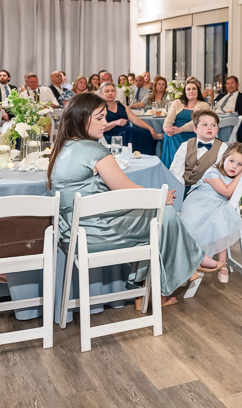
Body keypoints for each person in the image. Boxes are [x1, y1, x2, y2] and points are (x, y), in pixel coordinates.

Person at [46, 93, 222, 308]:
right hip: (92, 233)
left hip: (70, 232)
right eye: (99, 118)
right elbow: (127, 188)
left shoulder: (62, 147)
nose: (105, 123)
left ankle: (156, 285)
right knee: (163, 215)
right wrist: (160, 197)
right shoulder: (93, 150)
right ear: (81, 118)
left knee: (156, 218)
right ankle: (172, 277)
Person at [179, 143, 242, 286]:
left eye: (239, 165)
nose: (234, 167)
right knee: (208, 222)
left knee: (220, 219)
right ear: (224, 159)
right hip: (199, 204)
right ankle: (192, 263)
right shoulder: (212, 173)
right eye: (231, 161)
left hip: (216, 205)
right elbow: (226, 192)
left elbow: (228, 197)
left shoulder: (232, 177)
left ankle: (221, 264)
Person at [99, 83, 161, 155]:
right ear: (101, 94)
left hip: (126, 130)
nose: (110, 93)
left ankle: (145, 158)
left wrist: (150, 128)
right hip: (111, 135)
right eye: (107, 91)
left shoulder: (121, 105)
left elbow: (135, 119)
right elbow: (101, 127)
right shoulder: (99, 108)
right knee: (131, 132)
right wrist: (116, 122)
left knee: (145, 132)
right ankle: (134, 157)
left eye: (113, 91)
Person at [160, 78, 211, 165]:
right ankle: (177, 168)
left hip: (191, 132)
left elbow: (196, 122)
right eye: (188, 89)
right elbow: (169, 118)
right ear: (185, 92)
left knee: (172, 137)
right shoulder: (177, 103)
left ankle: (175, 168)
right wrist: (166, 129)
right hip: (175, 132)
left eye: (194, 89)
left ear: (198, 91)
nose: (191, 91)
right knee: (170, 136)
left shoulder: (204, 105)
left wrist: (180, 129)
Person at [168, 109, 224, 189]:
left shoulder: (222, 147)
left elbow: (220, 174)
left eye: (213, 125)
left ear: (217, 129)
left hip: (209, 189)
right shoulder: (185, 146)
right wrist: (180, 189)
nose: (209, 128)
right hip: (185, 187)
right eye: (205, 125)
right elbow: (176, 171)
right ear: (195, 129)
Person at [213, 76, 242, 142]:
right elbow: (212, 106)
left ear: (237, 84)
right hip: (216, 122)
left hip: (234, 125)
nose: (230, 85)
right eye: (228, 83)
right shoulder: (220, 96)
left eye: (232, 83)